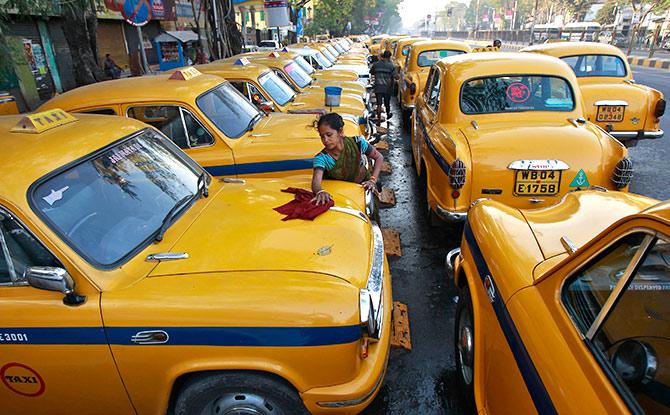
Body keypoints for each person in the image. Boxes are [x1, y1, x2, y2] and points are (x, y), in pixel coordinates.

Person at [311, 113, 384, 205]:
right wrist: (320, 191)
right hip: (343, 195)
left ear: (340, 132)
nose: (325, 140)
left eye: (329, 135)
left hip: (364, 190)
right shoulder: (322, 158)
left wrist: (373, 180)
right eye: (322, 136)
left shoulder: (357, 143)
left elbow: (379, 157)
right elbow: (316, 182)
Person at [370, 50, 396, 124]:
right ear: (389, 57)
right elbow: (396, 77)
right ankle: (388, 115)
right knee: (387, 103)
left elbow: (371, 72)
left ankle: (378, 120)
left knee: (379, 104)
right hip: (387, 87)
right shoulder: (391, 66)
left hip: (378, 86)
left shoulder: (376, 64)